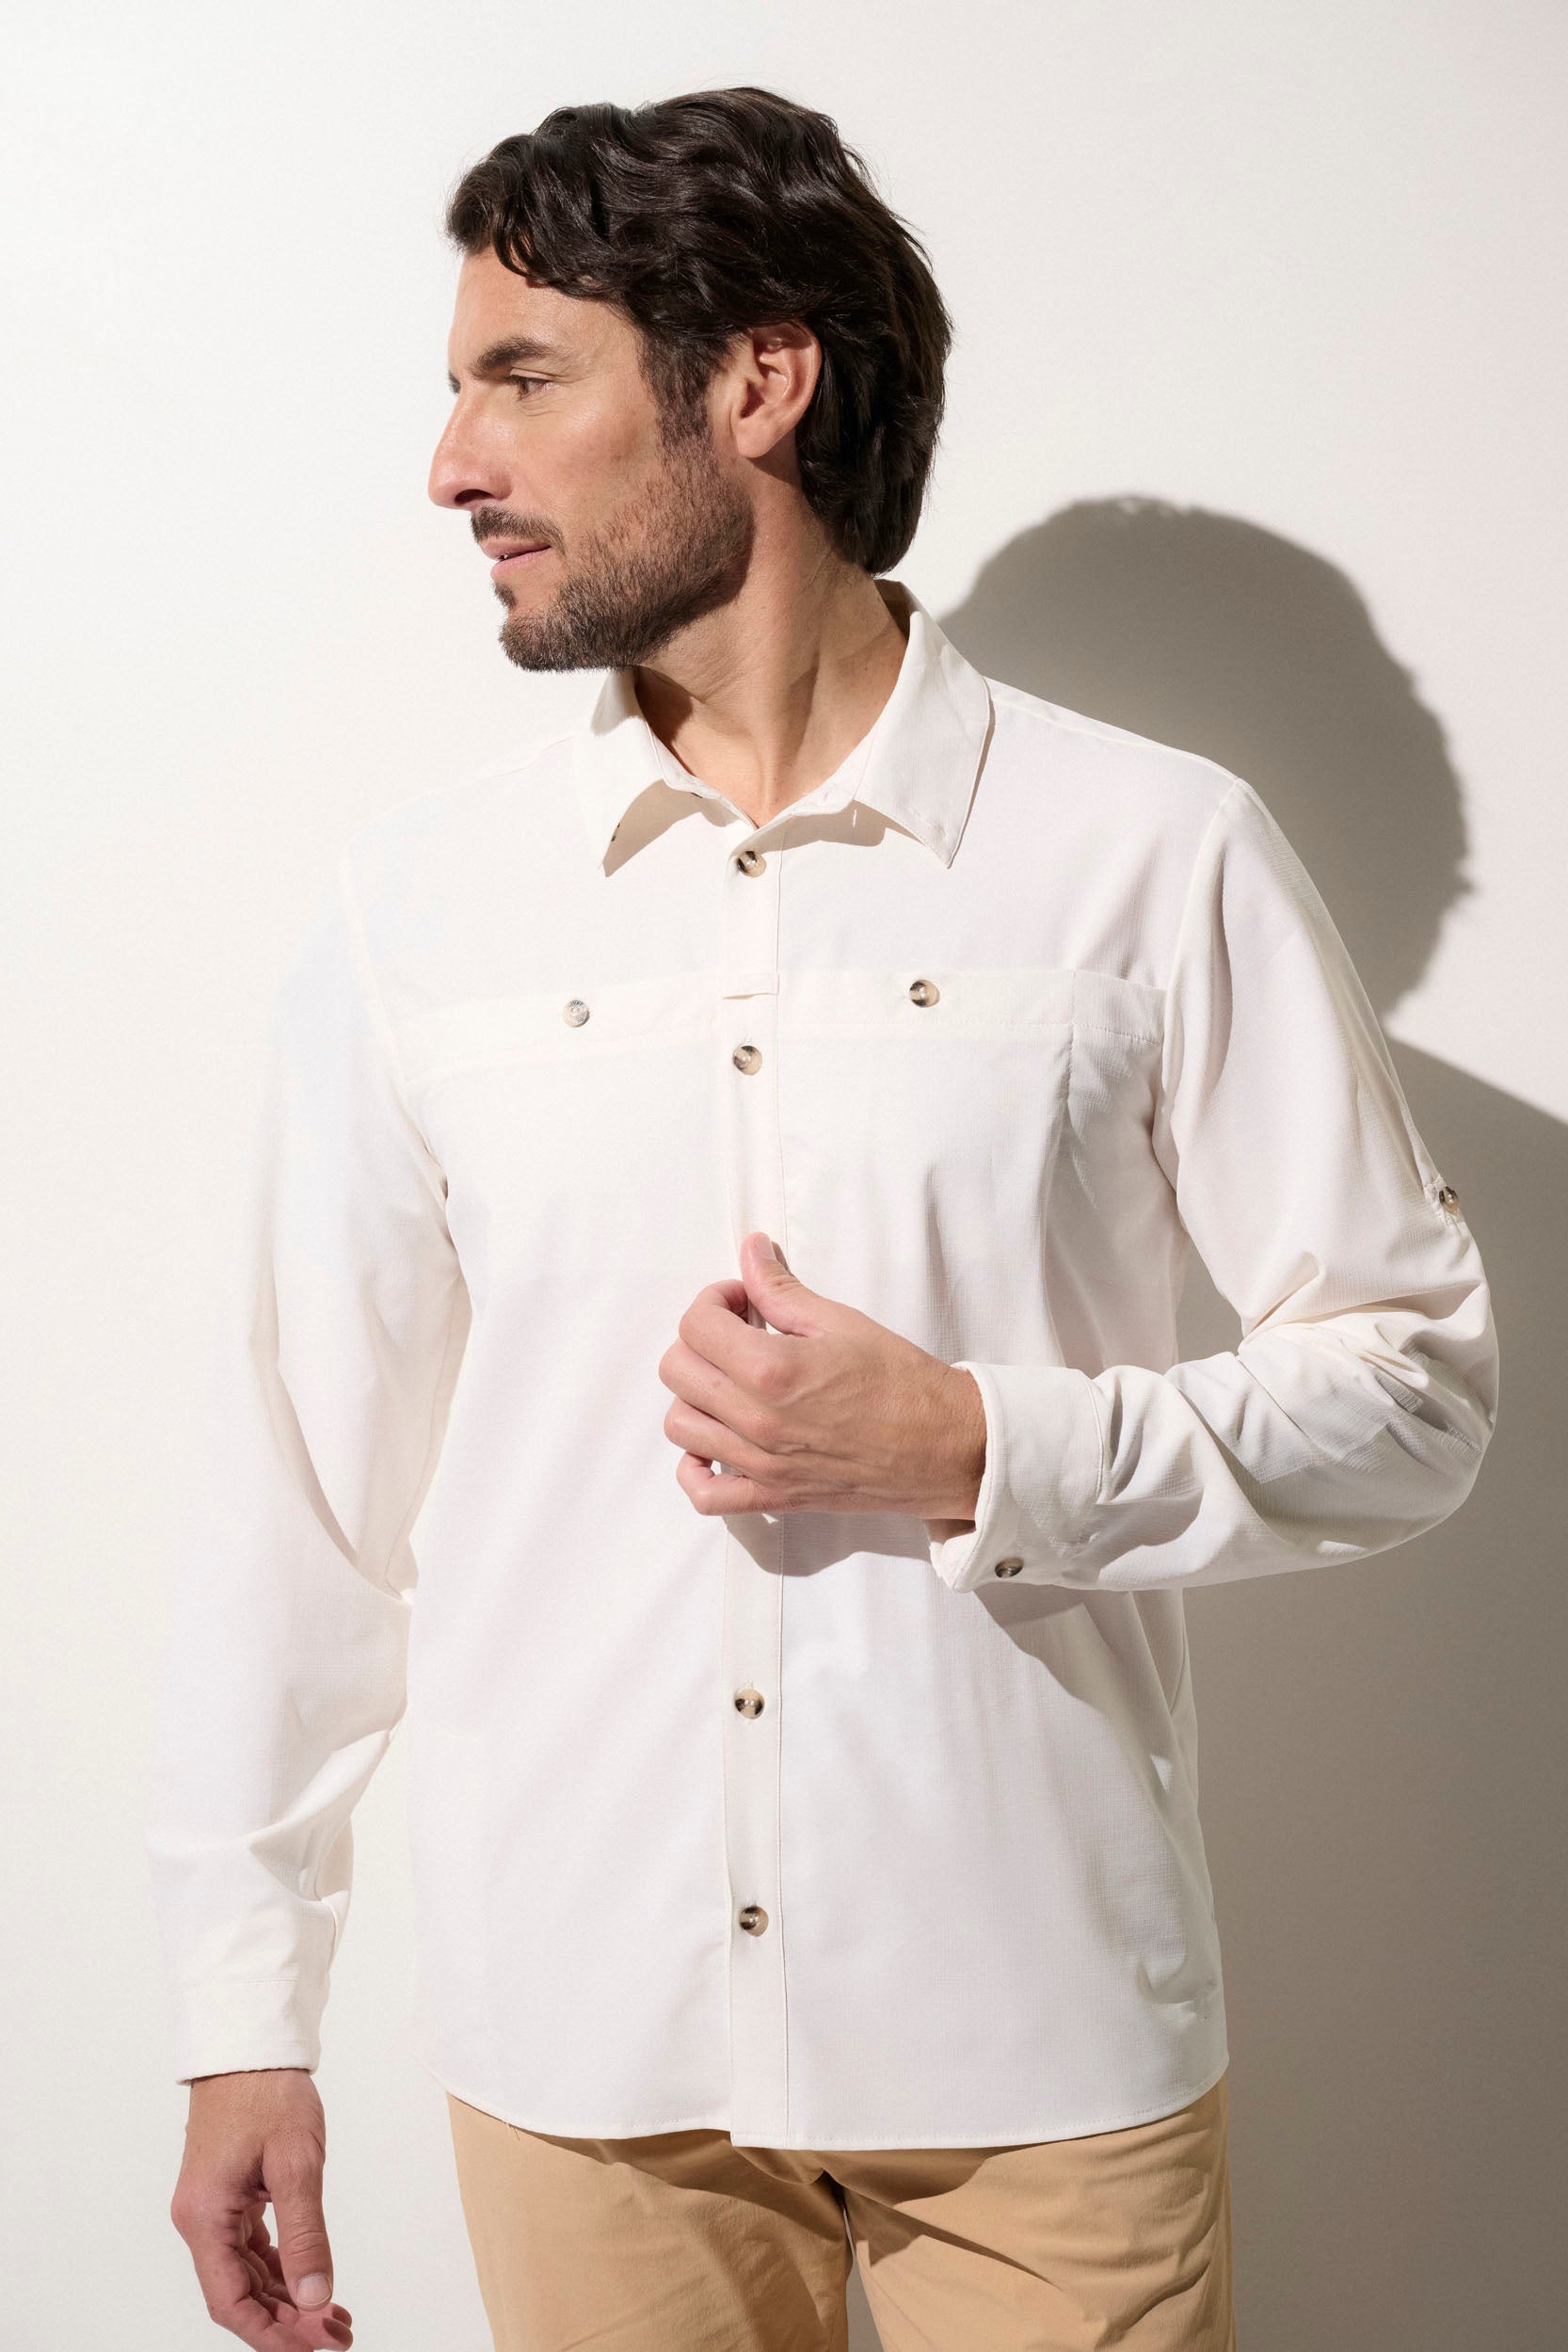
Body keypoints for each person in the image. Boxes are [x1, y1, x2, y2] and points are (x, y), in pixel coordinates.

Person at [146, 86, 1499, 2352]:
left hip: (1037, 2037)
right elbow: (296, 1493)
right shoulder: (416, 911)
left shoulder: (1148, 855)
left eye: (522, 377)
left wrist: (976, 1440)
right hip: (586, 2055)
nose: (453, 463)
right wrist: (237, 2013)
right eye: (459, 387)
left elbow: (1416, 1383)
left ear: (757, 382)